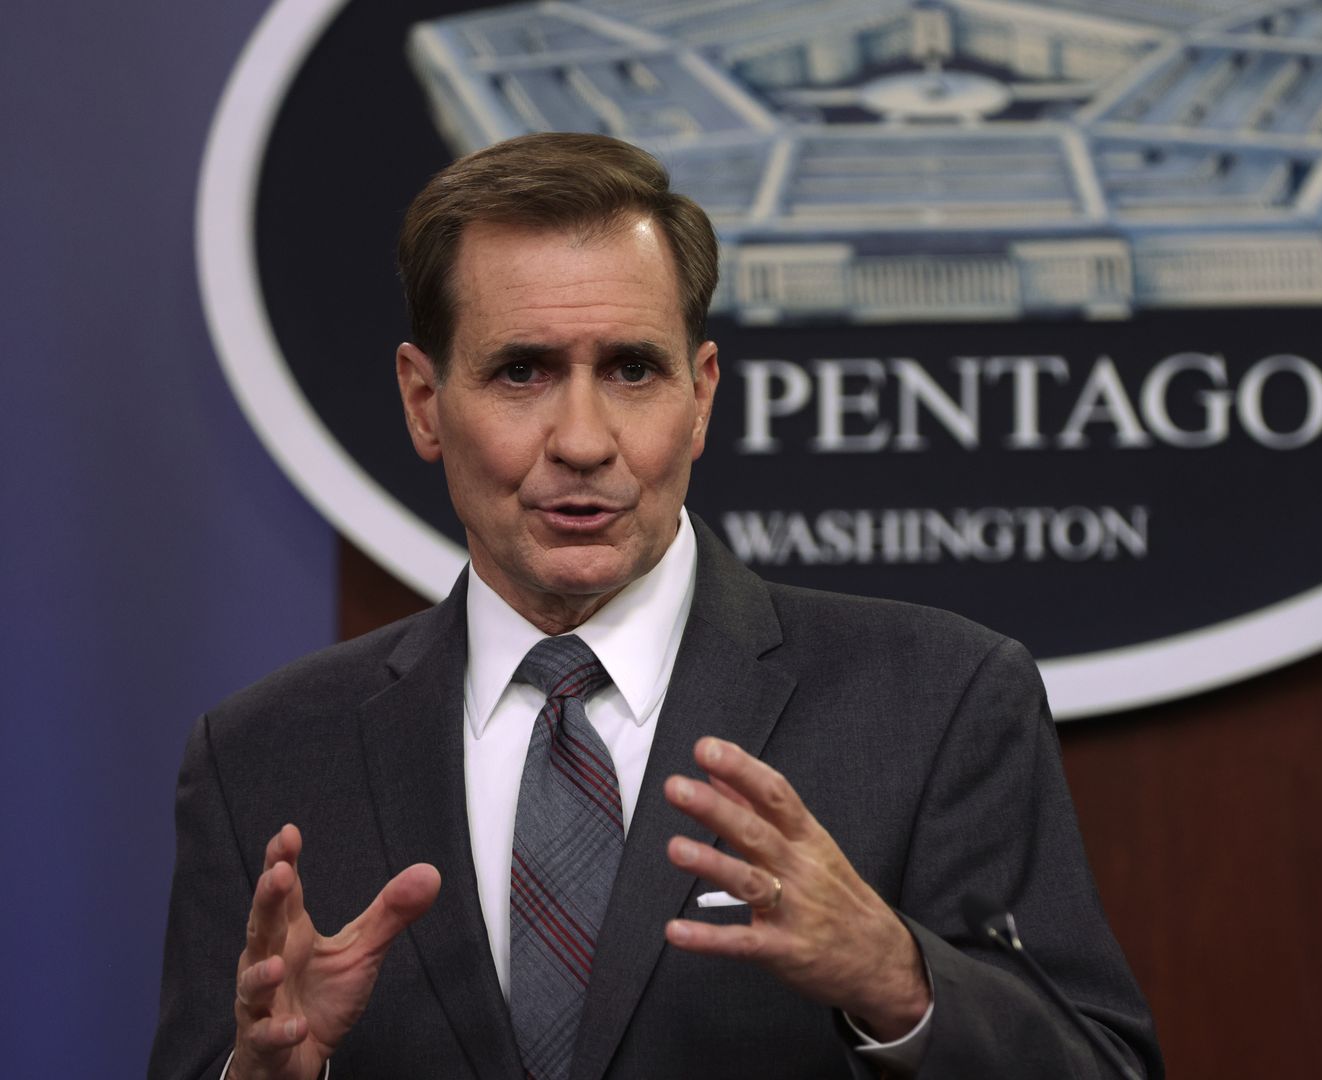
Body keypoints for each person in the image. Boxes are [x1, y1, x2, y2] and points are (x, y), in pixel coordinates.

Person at [149, 132, 1160, 1080]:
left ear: (702, 393)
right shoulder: (265, 759)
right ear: (424, 401)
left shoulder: (935, 702)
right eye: (522, 372)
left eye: (631, 370)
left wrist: (898, 981)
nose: (583, 439)